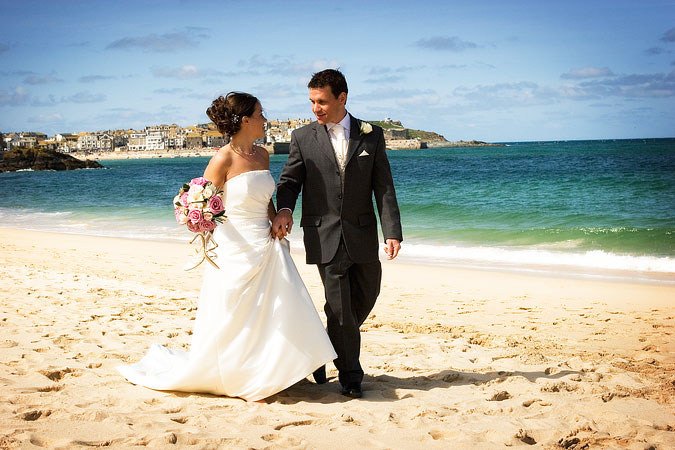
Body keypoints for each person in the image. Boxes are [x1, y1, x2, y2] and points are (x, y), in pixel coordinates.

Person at [117, 92, 336, 402]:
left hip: (266, 240)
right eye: (261, 114)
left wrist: (276, 219)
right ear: (245, 120)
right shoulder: (223, 158)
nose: (265, 119)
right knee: (237, 311)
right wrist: (196, 217)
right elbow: (202, 200)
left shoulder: (262, 154)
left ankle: (283, 366)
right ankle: (239, 370)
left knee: (282, 303)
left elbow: (264, 197)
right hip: (234, 245)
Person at [273, 69, 403, 398]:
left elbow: (383, 185)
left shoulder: (371, 135)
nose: (315, 108)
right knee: (341, 309)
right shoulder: (302, 137)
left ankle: (321, 349)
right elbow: (289, 181)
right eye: (311, 102)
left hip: (361, 232)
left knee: (368, 293)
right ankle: (351, 377)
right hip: (323, 233)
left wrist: (392, 231)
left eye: (322, 101)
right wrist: (285, 209)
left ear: (341, 98)